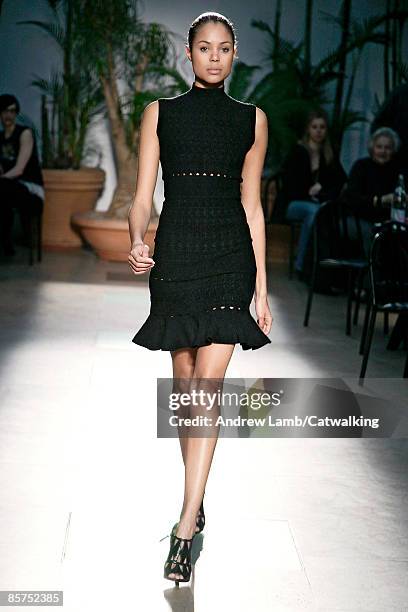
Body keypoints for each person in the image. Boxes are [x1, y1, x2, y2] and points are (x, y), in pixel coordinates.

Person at [127, 12, 273, 584]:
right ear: (187, 54)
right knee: (185, 394)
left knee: (208, 388)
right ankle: (198, 492)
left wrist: (262, 289)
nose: (215, 57)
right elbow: (142, 197)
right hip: (177, 258)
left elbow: (254, 207)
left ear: (235, 55)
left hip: (229, 258)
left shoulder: (251, 121)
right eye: (204, 48)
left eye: (225, 48)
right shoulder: (159, 114)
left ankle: (185, 526)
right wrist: (138, 239)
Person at [283, 109, 347, 277]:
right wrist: (308, 190)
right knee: (315, 212)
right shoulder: (299, 151)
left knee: (320, 213)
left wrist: (322, 189)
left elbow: (340, 180)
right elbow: (290, 185)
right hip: (295, 203)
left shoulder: (329, 153)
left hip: (318, 204)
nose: (318, 131)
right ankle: (302, 264)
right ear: (308, 129)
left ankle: (317, 268)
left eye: (322, 127)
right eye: (315, 127)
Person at [341, 127, 405, 257]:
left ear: (393, 150)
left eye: (387, 148)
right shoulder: (361, 167)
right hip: (357, 220)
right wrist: (380, 200)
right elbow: (352, 199)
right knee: (375, 235)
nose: (383, 151)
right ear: (372, 148)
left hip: (388, 222)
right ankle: (371, 276)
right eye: (379, 147)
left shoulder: (398, 171)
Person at [0, 94, 44, 256]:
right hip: (8, 189)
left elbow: (19, 169)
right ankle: (5, 241)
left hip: (30, 188)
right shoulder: (0, 138)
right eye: (4, 111)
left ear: (16, 113)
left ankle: (5, 240)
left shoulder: (24, 133)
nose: (8, 115)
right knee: (3, 197)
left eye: (12, 111)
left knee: (3, 189)